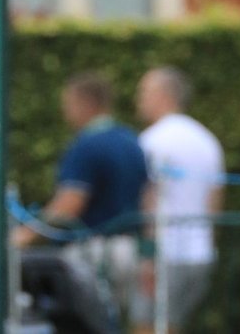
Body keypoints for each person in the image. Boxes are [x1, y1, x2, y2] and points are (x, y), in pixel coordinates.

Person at [11, 71, 150, 325]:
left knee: (84, 324)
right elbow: (148, 197)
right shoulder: (132, 141)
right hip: (128, 251)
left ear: (85, 103)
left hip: (93, 253)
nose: (66, 112)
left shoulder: (87, 145)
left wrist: (25, 235)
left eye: (69, 104)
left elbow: (69, 204)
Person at [130, 67, 224, 334]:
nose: (139, 100)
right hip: (201, 253)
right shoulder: (206, 139)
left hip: (165, 253)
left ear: (163, 95)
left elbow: (149, 199)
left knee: (147, 326)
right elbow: (214, 201)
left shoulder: (153, 140)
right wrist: (209, 246)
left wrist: (147, 256)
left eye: (144, 92)